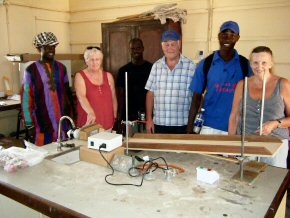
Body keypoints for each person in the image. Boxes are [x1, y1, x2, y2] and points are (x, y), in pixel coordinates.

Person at [228, 46, 290, 168]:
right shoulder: (242, 85)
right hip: (247, 144)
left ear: (271, 64)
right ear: (250, 64)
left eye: (264, 62)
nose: (259, 66)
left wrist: (275, 124)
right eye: (255, 62)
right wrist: (231, 144)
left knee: (272, 182)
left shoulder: (283, 84)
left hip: (276, 146)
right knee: (245, 180)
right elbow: (234, 116)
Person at [187, 21, 252, 134]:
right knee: (204, 153)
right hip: (207, 126)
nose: (227, 38)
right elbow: (196, 98)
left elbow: (252, 99)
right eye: (224, 34)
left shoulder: (245, 65)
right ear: (218, 36)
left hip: (234, 128)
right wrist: (189, 130)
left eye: (232, 34)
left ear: (237, 38)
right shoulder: (206, 64)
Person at [21, 32, 75, 146]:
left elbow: (67, 94)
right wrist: (29, 124)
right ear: (38, 48)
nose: (51, 49)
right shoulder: (31, 70)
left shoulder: (61, 68)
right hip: (42, 122)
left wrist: (73, 115)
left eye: (53, 46)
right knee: (45, 155)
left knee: (64, 152)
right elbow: (26, 99)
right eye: (46, 47)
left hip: (63, 122)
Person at [145, 30, 195, 134]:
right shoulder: (156, 66)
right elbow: (150, 94)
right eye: (166, 45)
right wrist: (149, 119)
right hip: (159, 124)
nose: (170, 48)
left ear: (179, 45)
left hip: (183, 125)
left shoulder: (191, 66)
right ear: (162, 46)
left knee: (182, 150)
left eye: (173, 44)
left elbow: (197, 95)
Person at [75, 46, 117, 130]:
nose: (94, 63)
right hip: (89, 124)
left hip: (108, 123)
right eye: (91, 60)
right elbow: (81, 97)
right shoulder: (80, 76)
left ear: (101, 61)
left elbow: (113, 97)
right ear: (86, 61)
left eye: (97, 59)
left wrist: (114, 116)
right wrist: (91, 112)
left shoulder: (108, 76)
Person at [116, 38, 152, 122]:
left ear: (143, 48)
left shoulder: (151, 68)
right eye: (133, 49)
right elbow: (120, 95)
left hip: (147, 112)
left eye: (138, 48)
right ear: (130, 50)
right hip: (128, 113)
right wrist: (120, 114)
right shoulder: (123, 70)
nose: (135, 51)